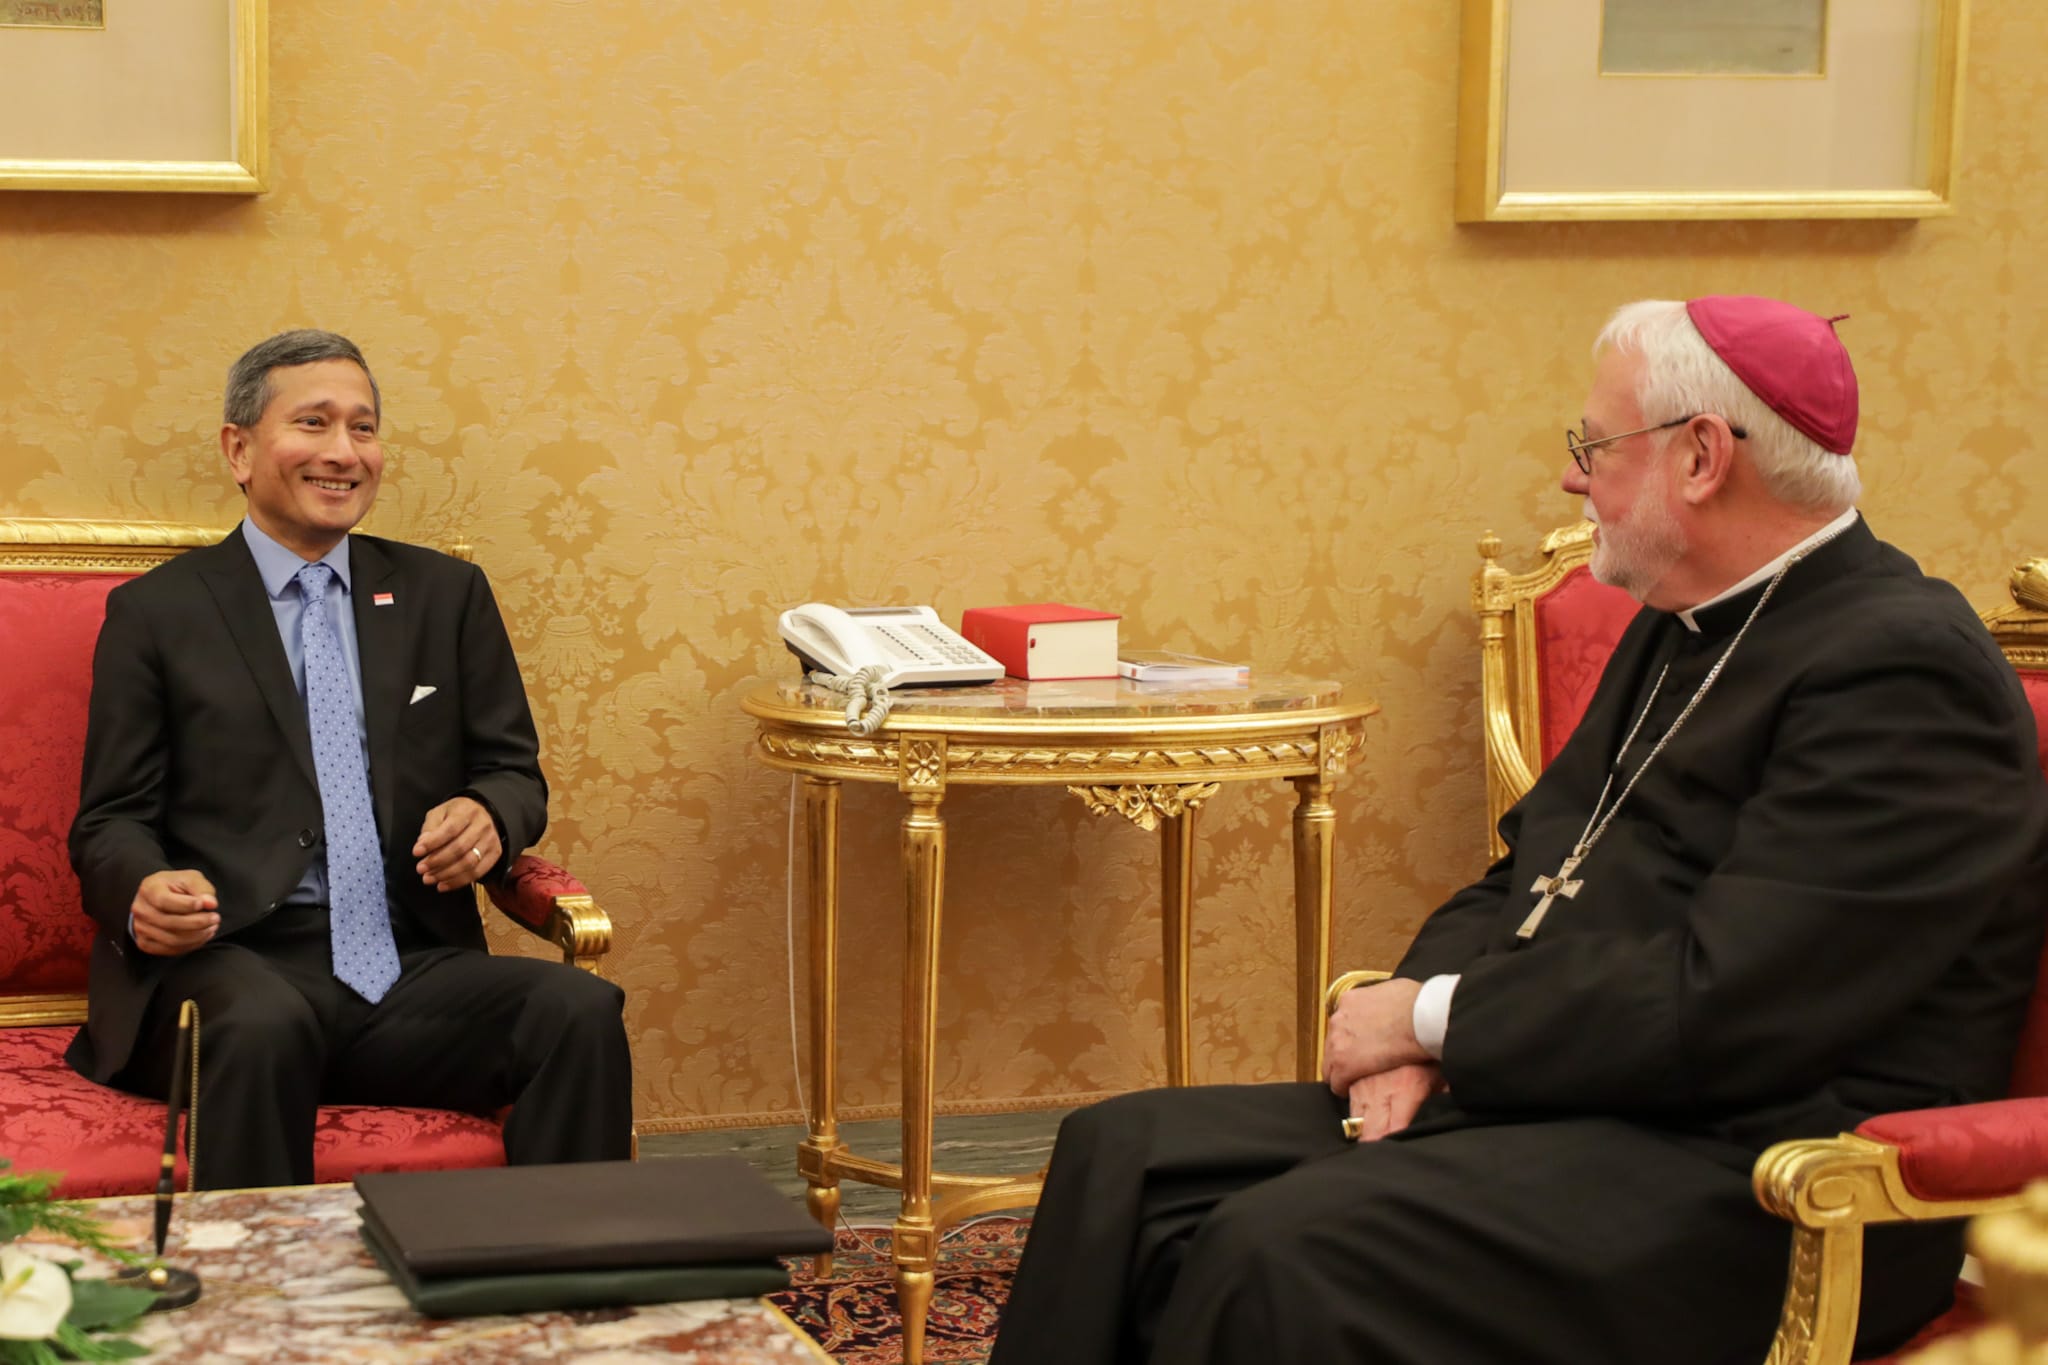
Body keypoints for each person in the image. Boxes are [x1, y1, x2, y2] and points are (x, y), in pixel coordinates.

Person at [989, 297, 2048, 1365]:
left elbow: (1731, 999)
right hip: (1587, 1090)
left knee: (1283, 1250)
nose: (1570, 477)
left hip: (1770, 1170)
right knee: (1121, 1154)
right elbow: (1526, 870)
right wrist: (1401, 1037)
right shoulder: (1682, 622)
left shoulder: (1901, 671)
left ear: (1698, 457)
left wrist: (1435, 1023)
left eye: (1592, 444)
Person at [68, 329, 634, 1189]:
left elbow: (514, 772)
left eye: (363, 429)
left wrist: (489, 816)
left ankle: (561, 1291)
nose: (344, 452)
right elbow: (111, 821)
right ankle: (267, 1309)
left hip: (405, 961)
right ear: (239, 448)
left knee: (577, 1009)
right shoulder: (158, 613)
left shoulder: (445, 597)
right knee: (264, 1024)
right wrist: (140, 890)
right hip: (231, 962)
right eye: (314, 423)